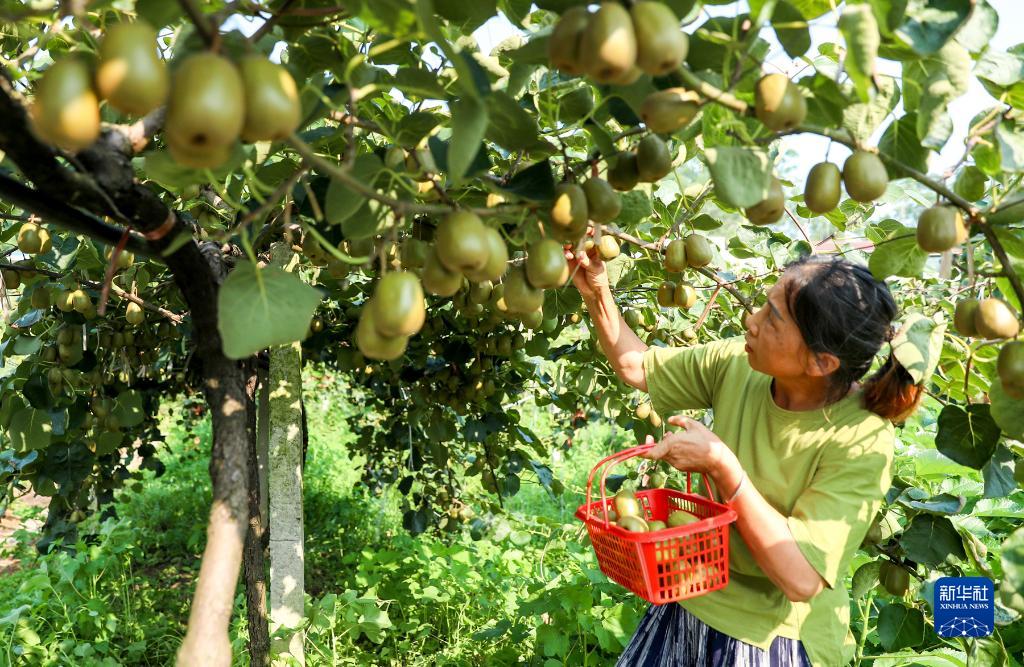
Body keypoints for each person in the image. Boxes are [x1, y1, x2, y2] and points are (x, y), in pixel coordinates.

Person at [566, 245, 923, 667]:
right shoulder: (740, 363)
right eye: (762, 308)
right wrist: (597, 293)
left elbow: (801, 579)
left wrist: (724, 469)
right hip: (693, 595)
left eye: (772, 317)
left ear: (819, 362)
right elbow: (637, 367)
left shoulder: (861, 438)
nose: (750, 322)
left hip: (773, 636)